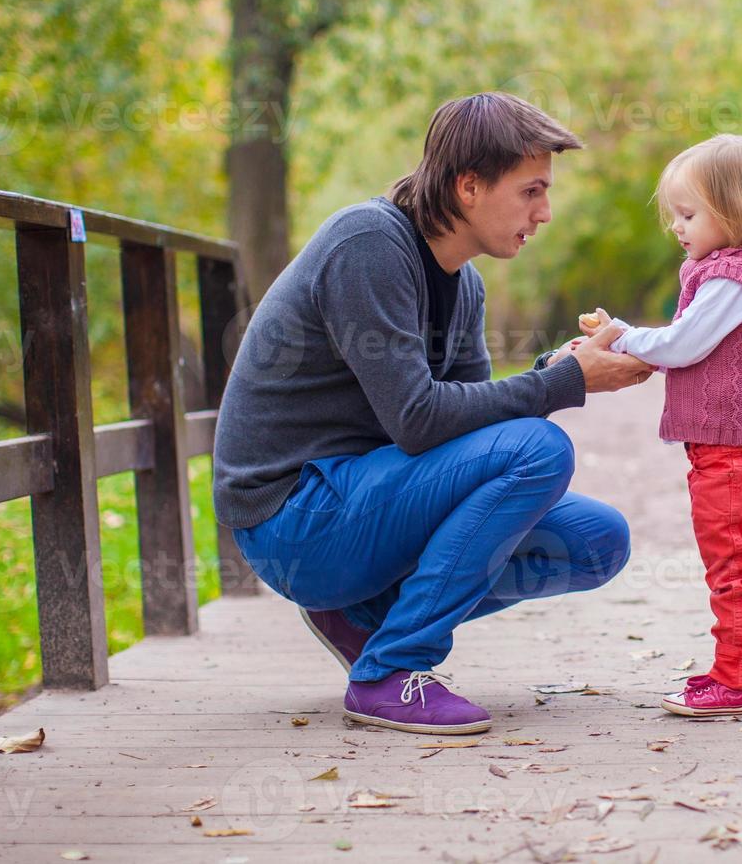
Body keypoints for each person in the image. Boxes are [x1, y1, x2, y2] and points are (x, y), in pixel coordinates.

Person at [211, 92, 654, 736]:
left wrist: (550, 372)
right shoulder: (367, 244)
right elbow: (419, 421)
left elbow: (469, 430)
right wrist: (562, 384)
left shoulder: (462, 283)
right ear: (468, 186)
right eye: (531, 191)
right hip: (291, 519)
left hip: (358, 500)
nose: (546, 212)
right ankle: (392, 671)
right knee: (540, 449)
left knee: (596, 541)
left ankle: (363, 617)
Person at [579, 134, 742, 717]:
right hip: (730, 452)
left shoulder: (734, 278)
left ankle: (733, 680)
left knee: (733, 569)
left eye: (689, 213)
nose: (677, 226)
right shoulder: (728, 271)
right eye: (676, 214)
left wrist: (623, 334)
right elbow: (687, 346)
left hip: (736, 457)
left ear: (738, 210)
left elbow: (682, 344)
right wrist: (623, 342)